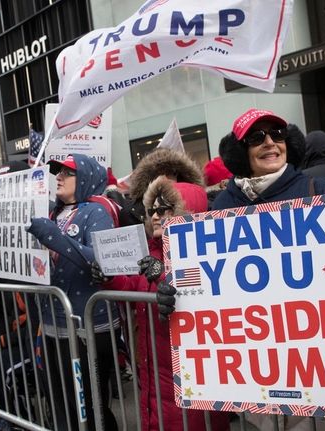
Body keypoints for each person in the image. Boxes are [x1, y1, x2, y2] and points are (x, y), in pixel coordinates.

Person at [94, 176, 230, 431]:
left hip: (190, 380)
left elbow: (195, 292)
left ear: (186, 210)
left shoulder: (204, 253)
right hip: (154, 373)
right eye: (152, 210)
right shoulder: (151, 251)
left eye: (164, 208)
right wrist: (109, 278)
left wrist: (162, 275)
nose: (155, 216)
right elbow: (132, 286)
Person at [26, 154, 119, 431]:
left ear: (86, 178)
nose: (59, 177)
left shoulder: (97, 212)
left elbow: (101, 259)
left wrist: (52, 235)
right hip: (55, 323)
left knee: (90, 402)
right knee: (65, 397)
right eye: (58, 172)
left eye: (68, 172)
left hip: (89, 324)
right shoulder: (53, 213)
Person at [212, 108, 325, 210]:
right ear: (240, 152)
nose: (270, 142)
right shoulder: (222, 205)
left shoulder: (321, 190)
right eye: (256, 137)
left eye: (277, 134)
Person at [118, 148, 204, 226]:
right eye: (160, 174)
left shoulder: (199, 202)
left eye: (172, 173)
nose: (166, 178)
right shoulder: (131, 213)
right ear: (149, 179)